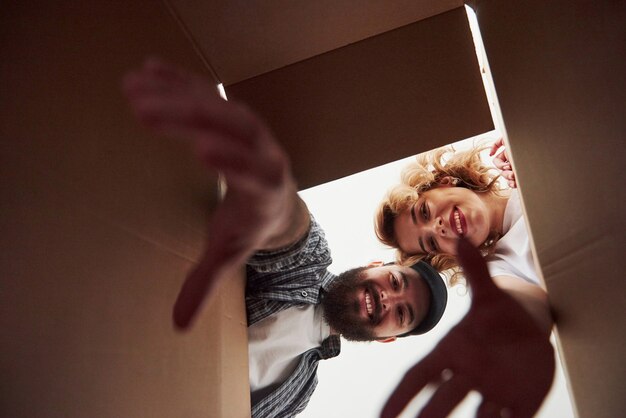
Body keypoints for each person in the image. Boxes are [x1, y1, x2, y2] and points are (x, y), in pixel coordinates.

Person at [124, 59, 556, 418]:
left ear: (388, 338)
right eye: (397, 282)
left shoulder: (300, 391)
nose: (387, 300)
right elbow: (290, 236)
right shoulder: (308, 271)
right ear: (375, 264)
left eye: (401, 314)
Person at [375, 145, 553, 333]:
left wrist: (527, 148)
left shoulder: (519, 157)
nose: (437, 227)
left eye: (424, 212)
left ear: (442, 183)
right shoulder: (496, 271)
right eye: (432, 243)